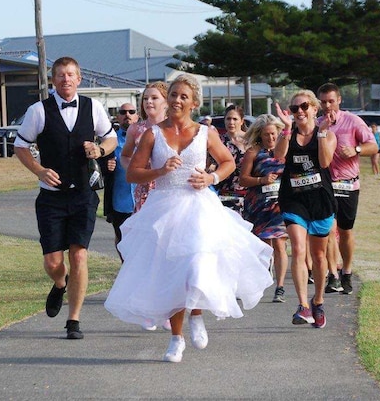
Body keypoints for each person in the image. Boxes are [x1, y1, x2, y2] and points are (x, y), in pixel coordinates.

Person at [105, 74, 273, 363]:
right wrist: (159, 171)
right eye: (173, 95)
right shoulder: (152, 133)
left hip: (199, 207)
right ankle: (176, 338)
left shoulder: (205, 133)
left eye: (183, 96)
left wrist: (211, 177)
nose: (177, 101)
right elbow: (133, 172)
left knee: (196, 264)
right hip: (164, 207)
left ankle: (196, 314)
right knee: (172, 273)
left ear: (194, 102)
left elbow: (228, 162)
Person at [13, 56, 117, 340]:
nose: (66, 80)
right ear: (53, 80)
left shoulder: (93, 107)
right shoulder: (38, 111)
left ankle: (74, 320)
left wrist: (99, 150)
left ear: (79, 78)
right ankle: (60, 283)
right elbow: (20, 146)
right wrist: (39, 170)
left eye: (71, 75)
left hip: (84, 195)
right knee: (52, 262)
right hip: (51, 199)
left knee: (79, 254)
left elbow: (111, 139)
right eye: (60, 75)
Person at [273, 90, 337, 327]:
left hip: (320, 199)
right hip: (293, 199)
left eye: (304, 107)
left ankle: (317, 300)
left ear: (314, 109)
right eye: (294, 108)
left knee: (319, 255)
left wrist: (320, 133)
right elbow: (279, 157)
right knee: (299, 249)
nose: (299, 111)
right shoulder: (287, 134)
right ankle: (303, 306)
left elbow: (324, 162)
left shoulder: (327, 135)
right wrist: (286, 129)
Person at [316, 83, 378, 295]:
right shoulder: (317, 124)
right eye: (323, 102)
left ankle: (347, 271)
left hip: (348, 183)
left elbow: (374, 146)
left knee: (345, 231)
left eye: (331, 101)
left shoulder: (352, 121)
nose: (327, 106)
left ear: (339, 100)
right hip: (324, 184)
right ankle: (333, 275)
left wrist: (355, 149)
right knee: (328, 230)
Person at [240, 114, 289, 303]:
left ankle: (280, 287)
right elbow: (243, 179)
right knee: (263, 246)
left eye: (274, 134)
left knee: (279, 243)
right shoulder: (253, 152)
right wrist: (261, 180)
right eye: (267, 134)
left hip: (279, 204)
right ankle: (262, 279)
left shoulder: (284, 151)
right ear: (260, 135)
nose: (271, 138)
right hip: (258, 204)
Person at [121, 82, 168, 211]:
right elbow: (125, 156)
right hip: (144, 188)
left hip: (168, 187)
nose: (149, 102)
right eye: (145, 99)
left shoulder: (174, 127)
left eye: (154, 98)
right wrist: (134, 170)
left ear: (167, 102)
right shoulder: (135, 129)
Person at [104, 102, 138, 259]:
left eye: (132, 111)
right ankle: (126, 268)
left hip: (145, 200)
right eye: (123, 112)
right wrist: (106, 166)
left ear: (137, 115)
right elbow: (100, 165)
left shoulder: (147, 137)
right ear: (118, 117)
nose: (127, 115)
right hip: (120, 201)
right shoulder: (111, 141)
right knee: (122, 239)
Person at [214, 104, 248, 212]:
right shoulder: (218, 141)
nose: (231, 122)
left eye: (235, 119)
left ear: (242, 121)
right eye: (228, 119)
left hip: (249, 195)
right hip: (225, 195)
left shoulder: (252, 140)